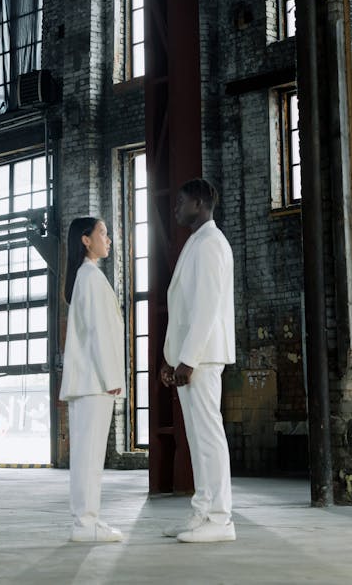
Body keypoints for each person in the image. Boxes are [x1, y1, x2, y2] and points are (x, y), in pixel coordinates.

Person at [160, 178, 236, 543]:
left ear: (201, 203)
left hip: (203, 358)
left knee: (208, 437)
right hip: (191, 357)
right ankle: (202, 512)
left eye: (181, 201)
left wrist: (187, 359)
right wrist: (170, 357)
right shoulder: (196, 242)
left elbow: (205, 308)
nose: (176, 207)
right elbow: (183, 310)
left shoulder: (210, 245)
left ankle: (221, 520)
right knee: (197, 437)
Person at [60, 216, 125, 543]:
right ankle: (85, 524)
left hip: (91, 380)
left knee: (90, 455)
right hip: (94, 382)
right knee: (88, 456)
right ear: (86, 240)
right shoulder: (90, 278)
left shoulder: (88, 277)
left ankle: (89, 520)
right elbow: (99, 332)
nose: (108, 238)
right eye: (102, 232)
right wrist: (113, 376)